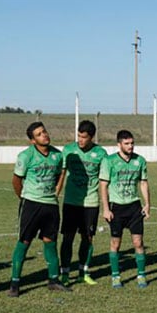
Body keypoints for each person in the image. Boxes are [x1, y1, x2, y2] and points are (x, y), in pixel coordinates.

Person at [8, 122, 68, 297]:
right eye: (40, 134)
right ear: (32, 140)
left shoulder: (57, 155)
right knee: (24, 242)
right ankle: (15, 283)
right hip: (31, 204)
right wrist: (25, 198)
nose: (45, 135)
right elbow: (16, 181)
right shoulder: (26, 156)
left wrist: (56, 191)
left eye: (45, 131)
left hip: (51, 205)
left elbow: (59, 174)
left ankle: (54, 280)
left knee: (50, 242)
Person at [59, 120, 108, 286]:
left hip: (91, 202)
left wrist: (106, 205)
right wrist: (56, 192)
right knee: (68, 237)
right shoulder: (68, 150)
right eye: (78, 136)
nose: (80, 140)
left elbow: (104, 180)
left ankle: (84, 272)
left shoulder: (101, 153)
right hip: (71, 201)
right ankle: (65, 272)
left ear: (91, 137)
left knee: (87, 238)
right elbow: (61, 172)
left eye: (84, 137)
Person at [99, 130, 150, 289]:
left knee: (138, 242)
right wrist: (106, 209)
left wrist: (147, 204)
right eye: (127, 143)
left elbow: (143, 183)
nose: (130, 146)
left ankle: (141, 275)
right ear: (119, 144)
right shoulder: (109, 161)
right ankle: (115, 276)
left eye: (132, 143)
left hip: (134, 206)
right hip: (117, 207)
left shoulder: (140, 161)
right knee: (116, 243)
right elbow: (103, 185)